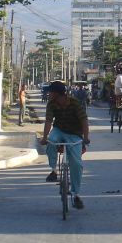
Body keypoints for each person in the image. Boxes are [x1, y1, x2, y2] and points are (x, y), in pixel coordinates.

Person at [40, 80, 90, 210]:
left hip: (74, 133)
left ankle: (76, 194)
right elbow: (48, 121)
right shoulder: (51, 104)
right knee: (51, 140)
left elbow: (84, 120)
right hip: (59, 130)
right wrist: (44, 138)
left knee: (76, 163)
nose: (49, 94)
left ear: (57, 93)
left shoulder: (74, 103)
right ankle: (54, 170)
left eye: (50, 92)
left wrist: (86, 137)